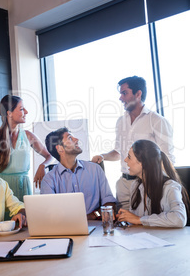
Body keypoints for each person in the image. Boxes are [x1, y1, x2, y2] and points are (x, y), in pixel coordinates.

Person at [92, 76, 174, 210]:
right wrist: (103, 156)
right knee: (123, 226)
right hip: (123, 184)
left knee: (145, 225)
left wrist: (159, 186)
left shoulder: (157, 121)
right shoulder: (120, 122)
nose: (120, 98)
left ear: (138, 93)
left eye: (124, 93)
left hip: (146, 184)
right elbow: (118, 152)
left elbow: (167, 157)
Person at [0, 95, 53, 201]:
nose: (26, 112)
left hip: (23, 189)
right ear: (9, 113)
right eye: (21, 109)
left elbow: (49, 156)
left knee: (24, 216)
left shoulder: (29, 136)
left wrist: (43, 165)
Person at [40, 127, 116, 219]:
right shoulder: (49, 180)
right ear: (60, 148)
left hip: (96, 225)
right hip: (65, 228)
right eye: (70, 138)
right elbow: (49, 213)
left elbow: (109, 203)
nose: (77, 140)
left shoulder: (95, 169)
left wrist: (93, 215)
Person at [116, 139, 189, 227]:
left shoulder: (170, 187)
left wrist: (139, 219)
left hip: (166, 239)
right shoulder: (135, 185)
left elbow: (180, 218)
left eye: (129, 157)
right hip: (143, 238)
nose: (125, 160)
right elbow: (136, 221)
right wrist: (126, 218)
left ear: (143, 163)